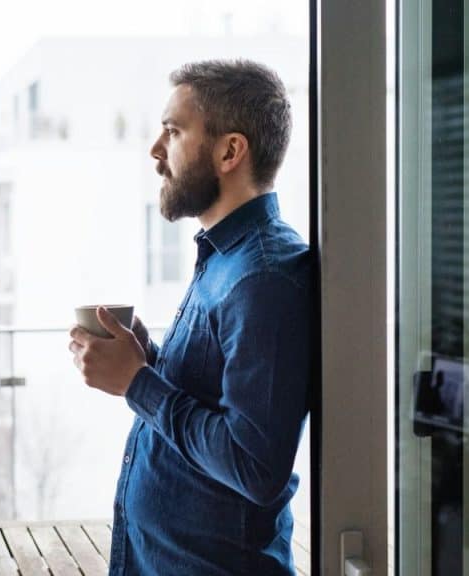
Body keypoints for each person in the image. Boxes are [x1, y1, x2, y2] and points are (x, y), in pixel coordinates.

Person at [68, 59, 313, 575]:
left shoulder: (264, 277)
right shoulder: (227, 258)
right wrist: (143, 360)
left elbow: (254, 466)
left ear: (230, 151)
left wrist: (138, 383)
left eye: (174, 131)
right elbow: (210, 399)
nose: (156, 151)